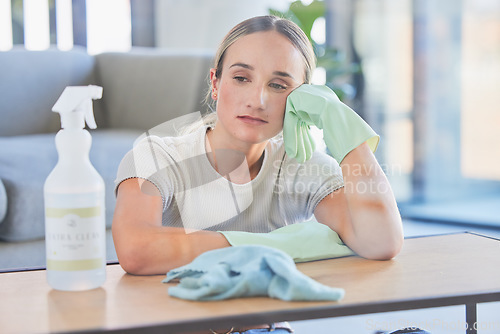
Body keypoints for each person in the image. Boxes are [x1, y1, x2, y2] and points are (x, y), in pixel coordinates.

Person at [112, 15, 404, 334]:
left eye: (278, 85)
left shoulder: (304, 166)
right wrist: (275, 246)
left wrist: (340, 124)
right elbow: (136, 249)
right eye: (241, 78)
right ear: (215, 83)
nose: (257, 100)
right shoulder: (158, 155)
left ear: (300, 99)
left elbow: (380, 240)